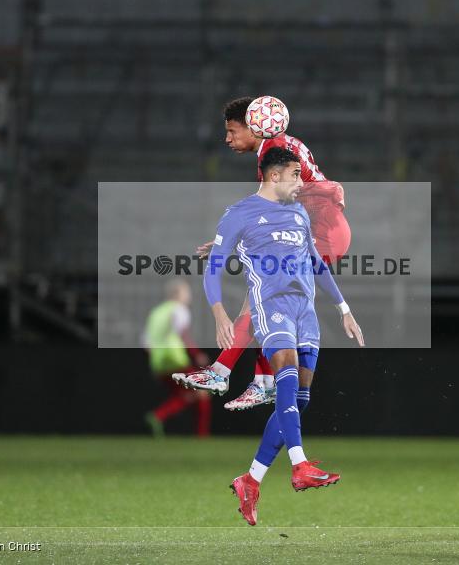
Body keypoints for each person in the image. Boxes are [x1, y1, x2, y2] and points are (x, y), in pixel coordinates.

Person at [203, 147, 364, 525]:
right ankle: (299, 464)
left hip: (305, 312)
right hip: (269, 306)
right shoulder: (239, 213)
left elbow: (315, 263)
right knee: (286, 377)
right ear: (274, 176)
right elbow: (212, 267)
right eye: (295, 174)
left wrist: (344, 309)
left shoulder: (298, 213)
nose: (301, 182)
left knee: (299, 398)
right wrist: (219, 313)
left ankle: (251, 480)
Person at [174, 97, 351, 411]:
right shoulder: (280, 146)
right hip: (323, 228)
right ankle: (251, 379)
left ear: (254, 125)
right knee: (261, 297)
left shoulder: (271, 155)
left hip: (322, 232)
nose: (228, 138)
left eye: (232, 130)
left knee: (262, 297)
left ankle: (238, 376)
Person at [143, 280, 212, 438]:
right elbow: (182, 334)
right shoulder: (179, 309)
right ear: (177, 294)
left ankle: (158, 416)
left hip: (158, 362)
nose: (189, 297)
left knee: (185, 395)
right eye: (186, 293)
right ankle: (202, 436)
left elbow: (146, 343)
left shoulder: (156, 312)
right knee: (202, 392)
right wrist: (196, 354)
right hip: (175, 358)